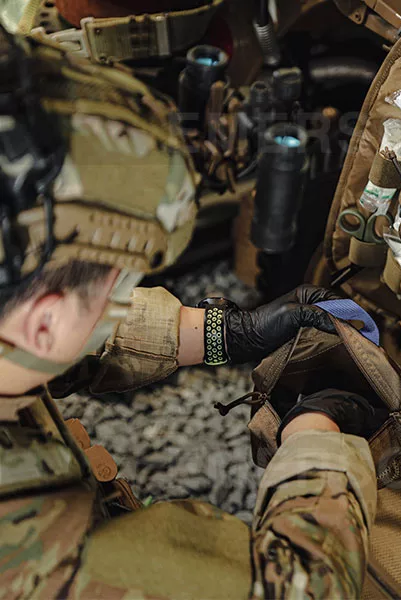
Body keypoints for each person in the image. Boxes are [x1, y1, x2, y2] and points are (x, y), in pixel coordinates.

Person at [0, 27, 378, 598]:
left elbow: (53, 336)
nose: (122, 299)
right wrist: (318, 434)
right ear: (45, 323)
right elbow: (304, 587)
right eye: (121, 283)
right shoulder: (40, 562)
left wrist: (230, 333)